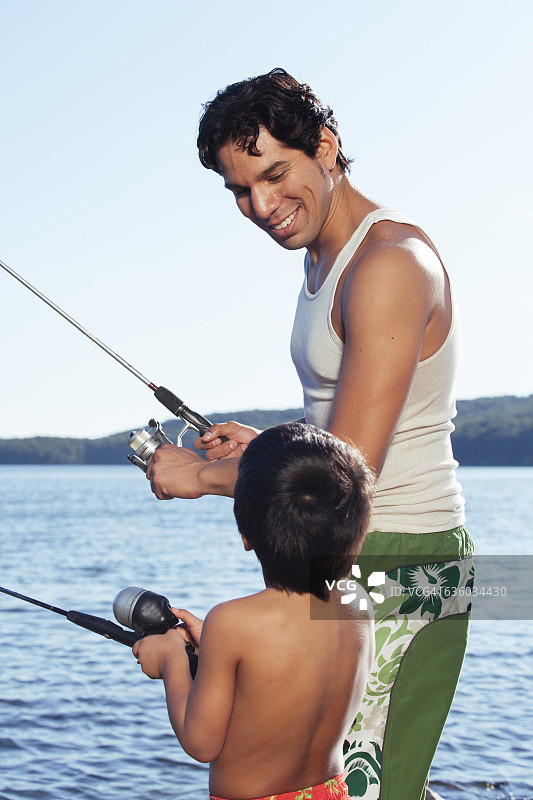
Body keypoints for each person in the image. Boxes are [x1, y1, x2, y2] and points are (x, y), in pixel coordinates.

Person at [146, 69, 475, 800]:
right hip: (351, 555)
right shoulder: (322, 256)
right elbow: (349, 427)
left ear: (325, 146)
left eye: (273, 174)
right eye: (239, 189)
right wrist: (268, 446)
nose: (260, 205)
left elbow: (346, 470)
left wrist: (197, 477)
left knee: (373, 790)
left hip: (402, 561)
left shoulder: (387, 263)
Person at [134, 423, 375, 800]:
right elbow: (286, 683)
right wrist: (217, 651)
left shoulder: (232, 622)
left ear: (246, 535)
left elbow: (201, 743)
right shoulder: (357, 604)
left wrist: (170, 661)